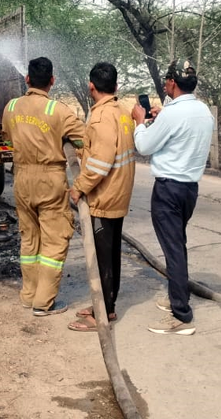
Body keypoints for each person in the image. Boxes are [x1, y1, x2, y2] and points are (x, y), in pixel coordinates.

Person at [132, 61, 213, 335]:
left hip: (168, 190)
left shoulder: (172, 114)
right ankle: (178, 297)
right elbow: (180, 134)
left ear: (172, 83)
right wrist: (162, 116)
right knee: (178, 244)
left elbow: (144, 146)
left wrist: (139, 122)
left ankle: (180, 315)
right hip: (189, 189)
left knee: (173, 250)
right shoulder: (203, 111)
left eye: (167, 79)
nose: (165, 83)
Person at [2, 57, 86, 316]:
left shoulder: (11, 107)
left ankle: (28, 295)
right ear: (52, 81)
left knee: (29, 239)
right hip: (49, 179)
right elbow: (84, 140)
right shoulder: (57, 110)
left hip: (21, 179)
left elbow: (8, 139)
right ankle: (43, 302)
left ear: (27, 79)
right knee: (54, 240)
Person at [67, 62, 136, 332]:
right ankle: (107, 305)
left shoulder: (101, 117)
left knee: (103, 257)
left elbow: (100, 162)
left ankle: (102, 314)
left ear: (91, 86)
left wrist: (79, 187)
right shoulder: (121, 112)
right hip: (119, 192)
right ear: (116, 86)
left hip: (105, 197)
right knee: (111, 252)